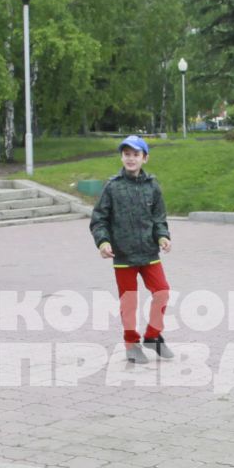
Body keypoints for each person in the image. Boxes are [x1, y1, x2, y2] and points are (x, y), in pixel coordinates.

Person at [89, 135, 173, 363]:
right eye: (126, 154)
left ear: (145, 158)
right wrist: (103, 242)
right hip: (123, 255)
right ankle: (131, 343)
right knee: (129, 301)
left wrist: (163, 237)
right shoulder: (112, 187)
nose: (131, 158)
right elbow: (99, 219)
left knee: (162, 292)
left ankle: (153, 336)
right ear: (121, 157)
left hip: (148, 253)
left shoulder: (152, 186)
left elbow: (159, 218)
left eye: (136, 154)